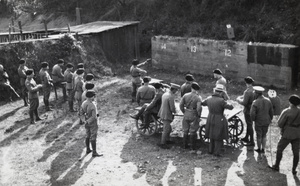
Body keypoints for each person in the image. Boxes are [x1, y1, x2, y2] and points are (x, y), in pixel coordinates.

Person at [269, 95, 300, 175]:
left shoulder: (287, 111)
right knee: (296, 152)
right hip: (297, 134)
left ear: (290, 102)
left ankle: (276, 165)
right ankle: (294, 169)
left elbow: (280, 123)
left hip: (287, 133)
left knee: (280, 148)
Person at [202, 84, 234, 157]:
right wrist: (227, 99)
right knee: (218, 135)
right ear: (221, 92)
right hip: (219, 118)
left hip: (210, 117)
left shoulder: (209, 98)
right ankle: (217, 152)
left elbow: (203, 103)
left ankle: (210, 150)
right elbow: (231, 107)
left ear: (214, 91)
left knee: (211, 134)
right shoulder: (221, 100)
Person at [250, 86, 274, 153]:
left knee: (259, 135)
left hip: (259, 121)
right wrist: (270, 119)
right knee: (264, 135)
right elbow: (271, 112)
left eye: (254, 93)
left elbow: (252, 114)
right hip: (266, 121)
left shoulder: (255, 102)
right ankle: (263, 149)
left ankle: (259, 149)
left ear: (257, 94)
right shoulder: (268, 100)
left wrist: (253, 119)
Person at [179, 82, 202, 150]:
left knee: (185, 130)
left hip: (186, 112)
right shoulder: (198, 97)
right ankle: (192, 147)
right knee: (193, 131)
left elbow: (181, 105)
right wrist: (199, 115)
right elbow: (198, 108)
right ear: (197, 90)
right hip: (194, 114)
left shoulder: (185, 95)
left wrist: (184, 111)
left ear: (191, 88)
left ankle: (184, 145)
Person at [157, 83, 180, 149]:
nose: (176, 92)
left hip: (163, 112)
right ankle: (162, 143)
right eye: (176, 90)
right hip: (166, 114)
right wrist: (176, 112)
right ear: (174, 90)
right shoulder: (171, 96)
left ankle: (167, 140)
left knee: (169, 128)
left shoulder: (165, 94)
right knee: (166, 129)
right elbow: (172, 108)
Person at [80, 90, 102, 157]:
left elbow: (81, 113)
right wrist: (89, 121)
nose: (94, 97)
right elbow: (94, 116)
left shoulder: (84, 103)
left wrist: (84, 121)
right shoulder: (92, 105)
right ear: (92, 97)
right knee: (93, 136)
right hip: (93, 122)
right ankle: (94, 152)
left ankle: (88, 149)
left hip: (86, 121)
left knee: (87, 135)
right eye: (94, 96)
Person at [236, 76, 255, 146]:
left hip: (248, 110)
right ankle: (247, 137)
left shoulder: (247, 92)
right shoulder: (253, 90)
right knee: (249, 124)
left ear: (246, 83)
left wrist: (238, 100)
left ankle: (252, 141)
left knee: (249, 125)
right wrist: (241, 96)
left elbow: (244, 103)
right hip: (253, 109)